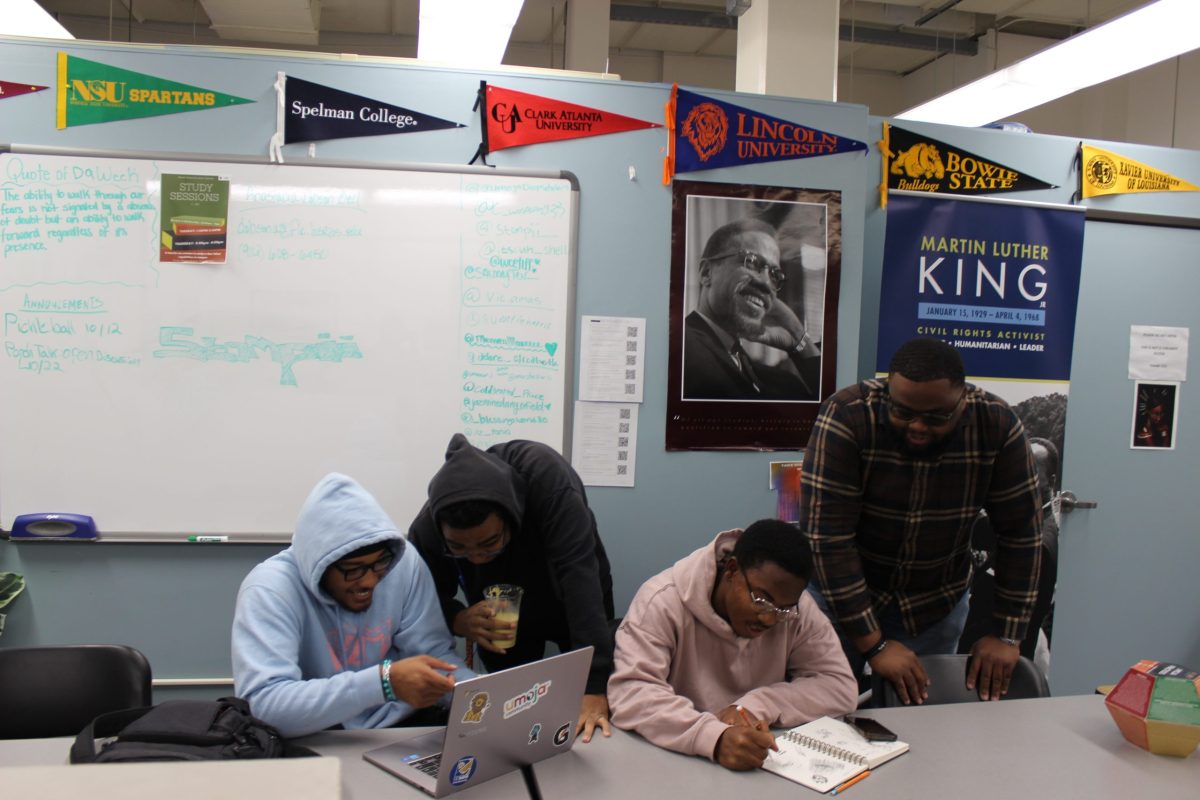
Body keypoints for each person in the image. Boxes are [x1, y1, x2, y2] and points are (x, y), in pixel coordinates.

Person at [800, 337, 1042, 705]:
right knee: (821, 716)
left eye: (936, 417)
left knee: (922, 723)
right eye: (902, 411)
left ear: (963, 399)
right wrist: (874, 643)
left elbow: (1021, 532)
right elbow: (827, 539)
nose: (917, 426)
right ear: (888, 391)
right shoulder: (847, 415)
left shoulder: (996, 424)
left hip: (934, 604)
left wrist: (1007, 633)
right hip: (840, 599)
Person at [408, 433, 616, 743]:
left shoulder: (548, 481)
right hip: (504, 609)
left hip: (570, 593)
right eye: (460, 549)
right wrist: (458, 618)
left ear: (511, 516)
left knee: (588, 704)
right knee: (516, 711)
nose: (477, 558)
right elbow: (418, 598)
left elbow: (579, 575)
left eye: (489, 543)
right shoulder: (430, 523)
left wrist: (595, 685)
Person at [231, 473, 472, 738]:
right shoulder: (270, 590)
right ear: (318, 565)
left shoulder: (403, 564)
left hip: (404, 728)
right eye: (353, 570)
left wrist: (480, 695)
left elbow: (435, 657)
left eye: (379, 564)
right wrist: (383, 682)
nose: (369, 581)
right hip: (317, 734)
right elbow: (267, 706)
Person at [607, 519, 857, 772]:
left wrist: (758, 705)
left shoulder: (796, 609)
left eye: (782, 609)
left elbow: (840, 687)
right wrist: (714, 738)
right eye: (761, 600)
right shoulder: (661, 601)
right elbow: (632, 691)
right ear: (731, 570)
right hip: (673, 762)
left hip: (758, 764)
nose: (769, 619)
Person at [683, 218, 820, 401]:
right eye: (752, 262)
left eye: (775, 275)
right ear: (707, 273)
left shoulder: (776, 380)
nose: (765, 283)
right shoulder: (679, 348)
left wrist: (797, 338)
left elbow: (835, 408)